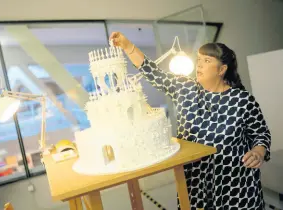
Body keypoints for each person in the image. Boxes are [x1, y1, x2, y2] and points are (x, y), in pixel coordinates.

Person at [109, 32, 271, 210]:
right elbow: (152, 72)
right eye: (199, 59)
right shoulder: (185, 88)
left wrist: (258, 151)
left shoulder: (243, 100)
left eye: (207, 61)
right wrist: (127, 46)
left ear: (222, 69)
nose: (199, 65)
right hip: (196, 186)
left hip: (237, 188)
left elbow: (261, 134)